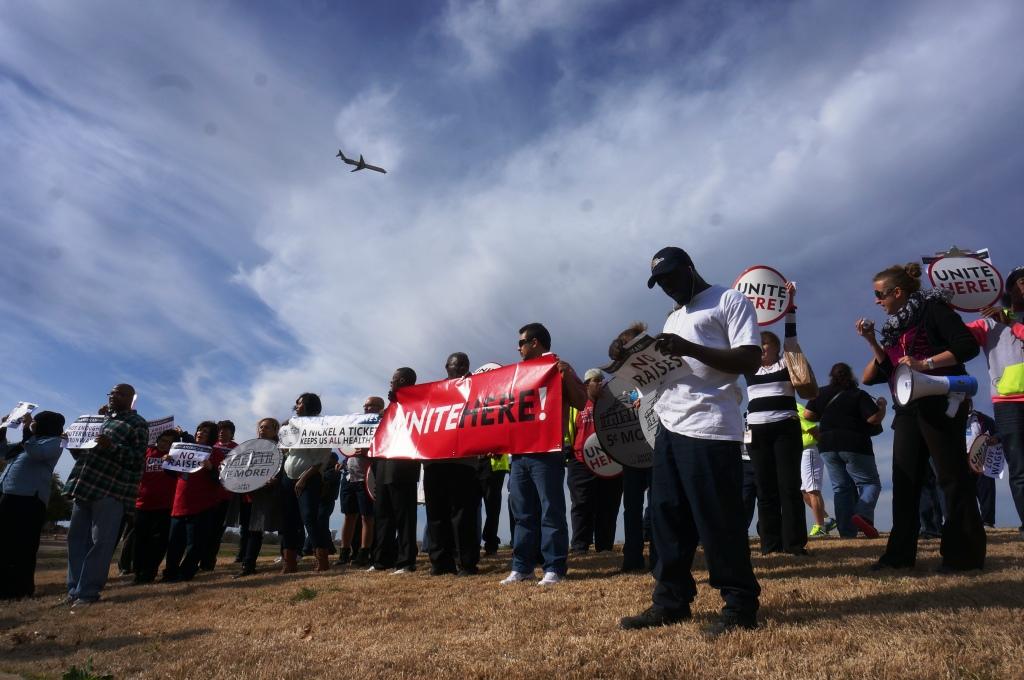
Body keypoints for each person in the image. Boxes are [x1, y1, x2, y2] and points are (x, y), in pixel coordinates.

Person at [620, 246, 761, 635]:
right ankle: (671, 601)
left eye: (670, 278)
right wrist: (631, 358)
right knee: (666, 519)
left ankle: (740, 605)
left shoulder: (728, 301)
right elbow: (666, 371)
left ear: (689, 268)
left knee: (718, 521)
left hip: (710, 425)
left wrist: (689, 349)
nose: (667, 288)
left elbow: (749, 360)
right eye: (660, 283)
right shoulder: (673, 317)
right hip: (670, 423)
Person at [857, 262, 984, 572]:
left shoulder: (934, 310)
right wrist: (873, 341)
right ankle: (899, 555)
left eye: (880, 294)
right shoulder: (893, 327)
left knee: (951, 476)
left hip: (940, 400)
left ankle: (963, 556)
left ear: (897, 292)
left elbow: (967, 347)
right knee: (905, 479)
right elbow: (882, 371)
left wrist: (925, 363)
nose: (877, 301)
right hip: (908, 407)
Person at [500, 323, 587, 587]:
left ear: (535, 342)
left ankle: (554, 567)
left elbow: (582, 402)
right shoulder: (517, 374)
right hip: (520, 453)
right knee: (522, 513)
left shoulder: (559, 368)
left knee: (551, 509)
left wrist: (566, 375)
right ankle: (522, 567)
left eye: (522, 342)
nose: (518, 347)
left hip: (547, 451)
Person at [64, 384, 148, 605]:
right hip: (85, 484)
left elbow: (137, 458)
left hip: (111, 489)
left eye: (119, 393)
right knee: (76, 539)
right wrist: (73, 442)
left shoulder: (137, 424)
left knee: (100, 542)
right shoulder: (99, 420)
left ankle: (88, 592)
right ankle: (73, 590)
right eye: (111, 393)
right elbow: (82, 454)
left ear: (131, 398)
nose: (113, 396)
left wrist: (111, 446)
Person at [744, 283, 812, 556]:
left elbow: (792, 335)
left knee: (789, 486)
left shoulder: (786, 363)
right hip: (757, 433)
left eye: (764, 348)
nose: (760, 352)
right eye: (757, 348)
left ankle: (794, 544)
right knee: (765, 488)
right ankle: (770, 545)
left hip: (785, 428)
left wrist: (790, 301)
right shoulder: (748, 368)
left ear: (774, 349)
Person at [965, 266, 1024, 536]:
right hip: (1008, 402)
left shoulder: (1006, 320)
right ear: (1010, 288)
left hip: (1009, 403)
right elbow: (959, 339)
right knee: (1019, 467)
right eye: (1022, 282)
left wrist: (1011, 321)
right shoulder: (988, 323)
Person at [803, 363, 885, 539]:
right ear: (851, 375)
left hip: (827, 445)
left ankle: (847, 532)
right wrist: (882, 406)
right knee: (870, 483)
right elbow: (873, 418)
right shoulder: (858, 394)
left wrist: (823, 413)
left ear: (831, 376)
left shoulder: (821, 392)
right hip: (855, 444)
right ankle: (862, 514)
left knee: (841, 488)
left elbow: (807, 415)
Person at [424, 353, 483, 576]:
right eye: (455, 365)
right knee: (436, 514)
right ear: (446, 367)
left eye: (464, 365)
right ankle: (440, 562)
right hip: (433, 462)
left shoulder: (476, 389)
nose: (459, 369)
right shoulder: (432, 393)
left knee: (463, 515)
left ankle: (466, 563)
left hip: (463, 462)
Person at [0, 411, 65, 599]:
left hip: (30, 499)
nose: (33, 424)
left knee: (22, 545)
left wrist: (28, 431)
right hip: (8, 494)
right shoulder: (28, 442)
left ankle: (19, 589)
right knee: (4, 543)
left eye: (37, 422)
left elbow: (37, 453)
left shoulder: (55, 442)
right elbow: (3, 451)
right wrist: (4, 428)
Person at [163, 421, 228, 582]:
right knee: (174, 543)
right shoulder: (182, 449)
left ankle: (185, 573)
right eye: (199, 430)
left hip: (202, 505)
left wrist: (211, 468)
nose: (200, 433)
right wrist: (168, 462)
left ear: (212, 436)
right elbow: (173, 474)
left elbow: (222, 480)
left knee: (195, 544)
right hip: (179, 504)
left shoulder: (216, 454)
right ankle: (169, 573)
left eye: (206, 432)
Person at [567, 369, 623, 554]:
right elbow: (568, 431)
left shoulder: (614, 404)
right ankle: (579, 547)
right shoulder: (576, 405)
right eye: (596, 380)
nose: (601, 383)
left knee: (608, 505)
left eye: (602, 380)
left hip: (611, 463)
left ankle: (604, 546)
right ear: (586, 384)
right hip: (581, 462)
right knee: (581, 505)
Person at [371, 369, 421, 574]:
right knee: (383, 515)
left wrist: (402, 401)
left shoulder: (417, 403)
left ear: (401, 381)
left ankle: (406, 561)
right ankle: (382, 560)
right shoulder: (389, 408)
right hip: (383, 464)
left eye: (392, 380)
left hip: (404, 466)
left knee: (404, 517)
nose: (390, 383)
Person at [279, 393, 334, 573]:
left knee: (310, 517)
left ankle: (322, 560)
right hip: (288, 475)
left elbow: (321, 457)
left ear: (310, 405)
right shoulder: (292, 425)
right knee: (288, 518)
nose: (297, 404)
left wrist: (303, 478)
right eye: (296, 402)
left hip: (310, 477)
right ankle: (289, 562)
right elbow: (288, 451)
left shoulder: (320, 426)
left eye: (300, 402)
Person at [232, 417, 284, 577]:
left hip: (264, 495)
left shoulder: (280, 449)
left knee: (255, 530)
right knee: (247, 530)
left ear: (275, 431)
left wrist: (274, 480)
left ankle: (248, 565)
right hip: (247, 494)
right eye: (261, 427)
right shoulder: (249, 447)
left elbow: (281, 470)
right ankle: (246, 562)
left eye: (267, 427)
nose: (263, 430)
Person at [132, 429, 181, 584]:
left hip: (165, 507)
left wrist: (172, 461)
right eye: (162, 440)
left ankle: (149, 573)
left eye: (169, 443)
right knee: (139, 541)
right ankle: (138, 572)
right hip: (142, 504)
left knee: (158, 543)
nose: (164, 444)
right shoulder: (146, 452)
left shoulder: (177, 458)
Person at [339, 397, 381, 568]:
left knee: (367, 517)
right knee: (349, 516)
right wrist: (341, 463)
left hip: (367, 478)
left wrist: (368, 451)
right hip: (349, 477)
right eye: (365, 406)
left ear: (380, 408)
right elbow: (348, 450)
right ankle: (344, 553)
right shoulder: (356, 427)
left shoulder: (381, 426)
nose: (367, 408)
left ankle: (364, 553)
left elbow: (385, 448)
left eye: (371, 405)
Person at [201, 420, 237, 571]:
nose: (222, 432)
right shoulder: (209, 446)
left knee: (216, 531)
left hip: (225, 495)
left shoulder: (238, 448)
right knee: (203, 530)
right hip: (206, 494)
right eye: (220, 429)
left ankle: (208, 563)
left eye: (226, 430)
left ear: (232, 433)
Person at [797, 405, 836, 537]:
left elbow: (813, 428)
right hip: (799, 453)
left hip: (809, 450)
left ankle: (820, 527)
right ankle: (826, 520)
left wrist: (823, 447)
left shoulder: (795, 408)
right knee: (804, 491)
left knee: (812, 489)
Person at [964, 402, 998, 528]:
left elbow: (998, 433)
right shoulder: (950, 419)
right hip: (961, 462)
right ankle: (970, 522)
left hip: (981, 460)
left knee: (986, 490)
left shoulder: (983, 419)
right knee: (965, 493)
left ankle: (987, 522)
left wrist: (996, 439)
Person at [480, 453, 510, 556]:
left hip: (494, 462)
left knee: (492, 507)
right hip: (474, 462)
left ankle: (491, 543)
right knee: (469, 508)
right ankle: (474, 544)